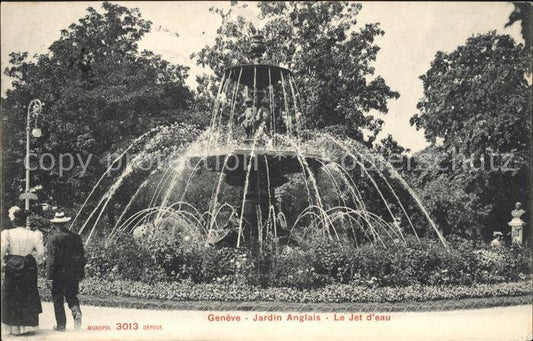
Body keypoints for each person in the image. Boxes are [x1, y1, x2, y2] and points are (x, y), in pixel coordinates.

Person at [1, 206, 44, 336]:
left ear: (14, 221)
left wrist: (3, 261)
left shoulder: (7, 233)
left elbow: (2, 249)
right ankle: (27, 326)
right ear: (25, 221)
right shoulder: (34, 234)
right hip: (27, 267)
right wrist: (35, 259)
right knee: (27, 293)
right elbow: (41, 252)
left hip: (12, 265)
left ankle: (14, 327)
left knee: (12, 294)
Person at [47, 211, 85, 331]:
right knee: (72, 296)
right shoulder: (76, 238)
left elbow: (51, 259)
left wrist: (49, 277)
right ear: (66, 224)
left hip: (58, 274)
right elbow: (81, 257)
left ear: (56, 225)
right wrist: (80, 273)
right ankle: (76, 312)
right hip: (73, 273)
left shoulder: (53, 239)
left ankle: (61, 325)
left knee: (58, 298)